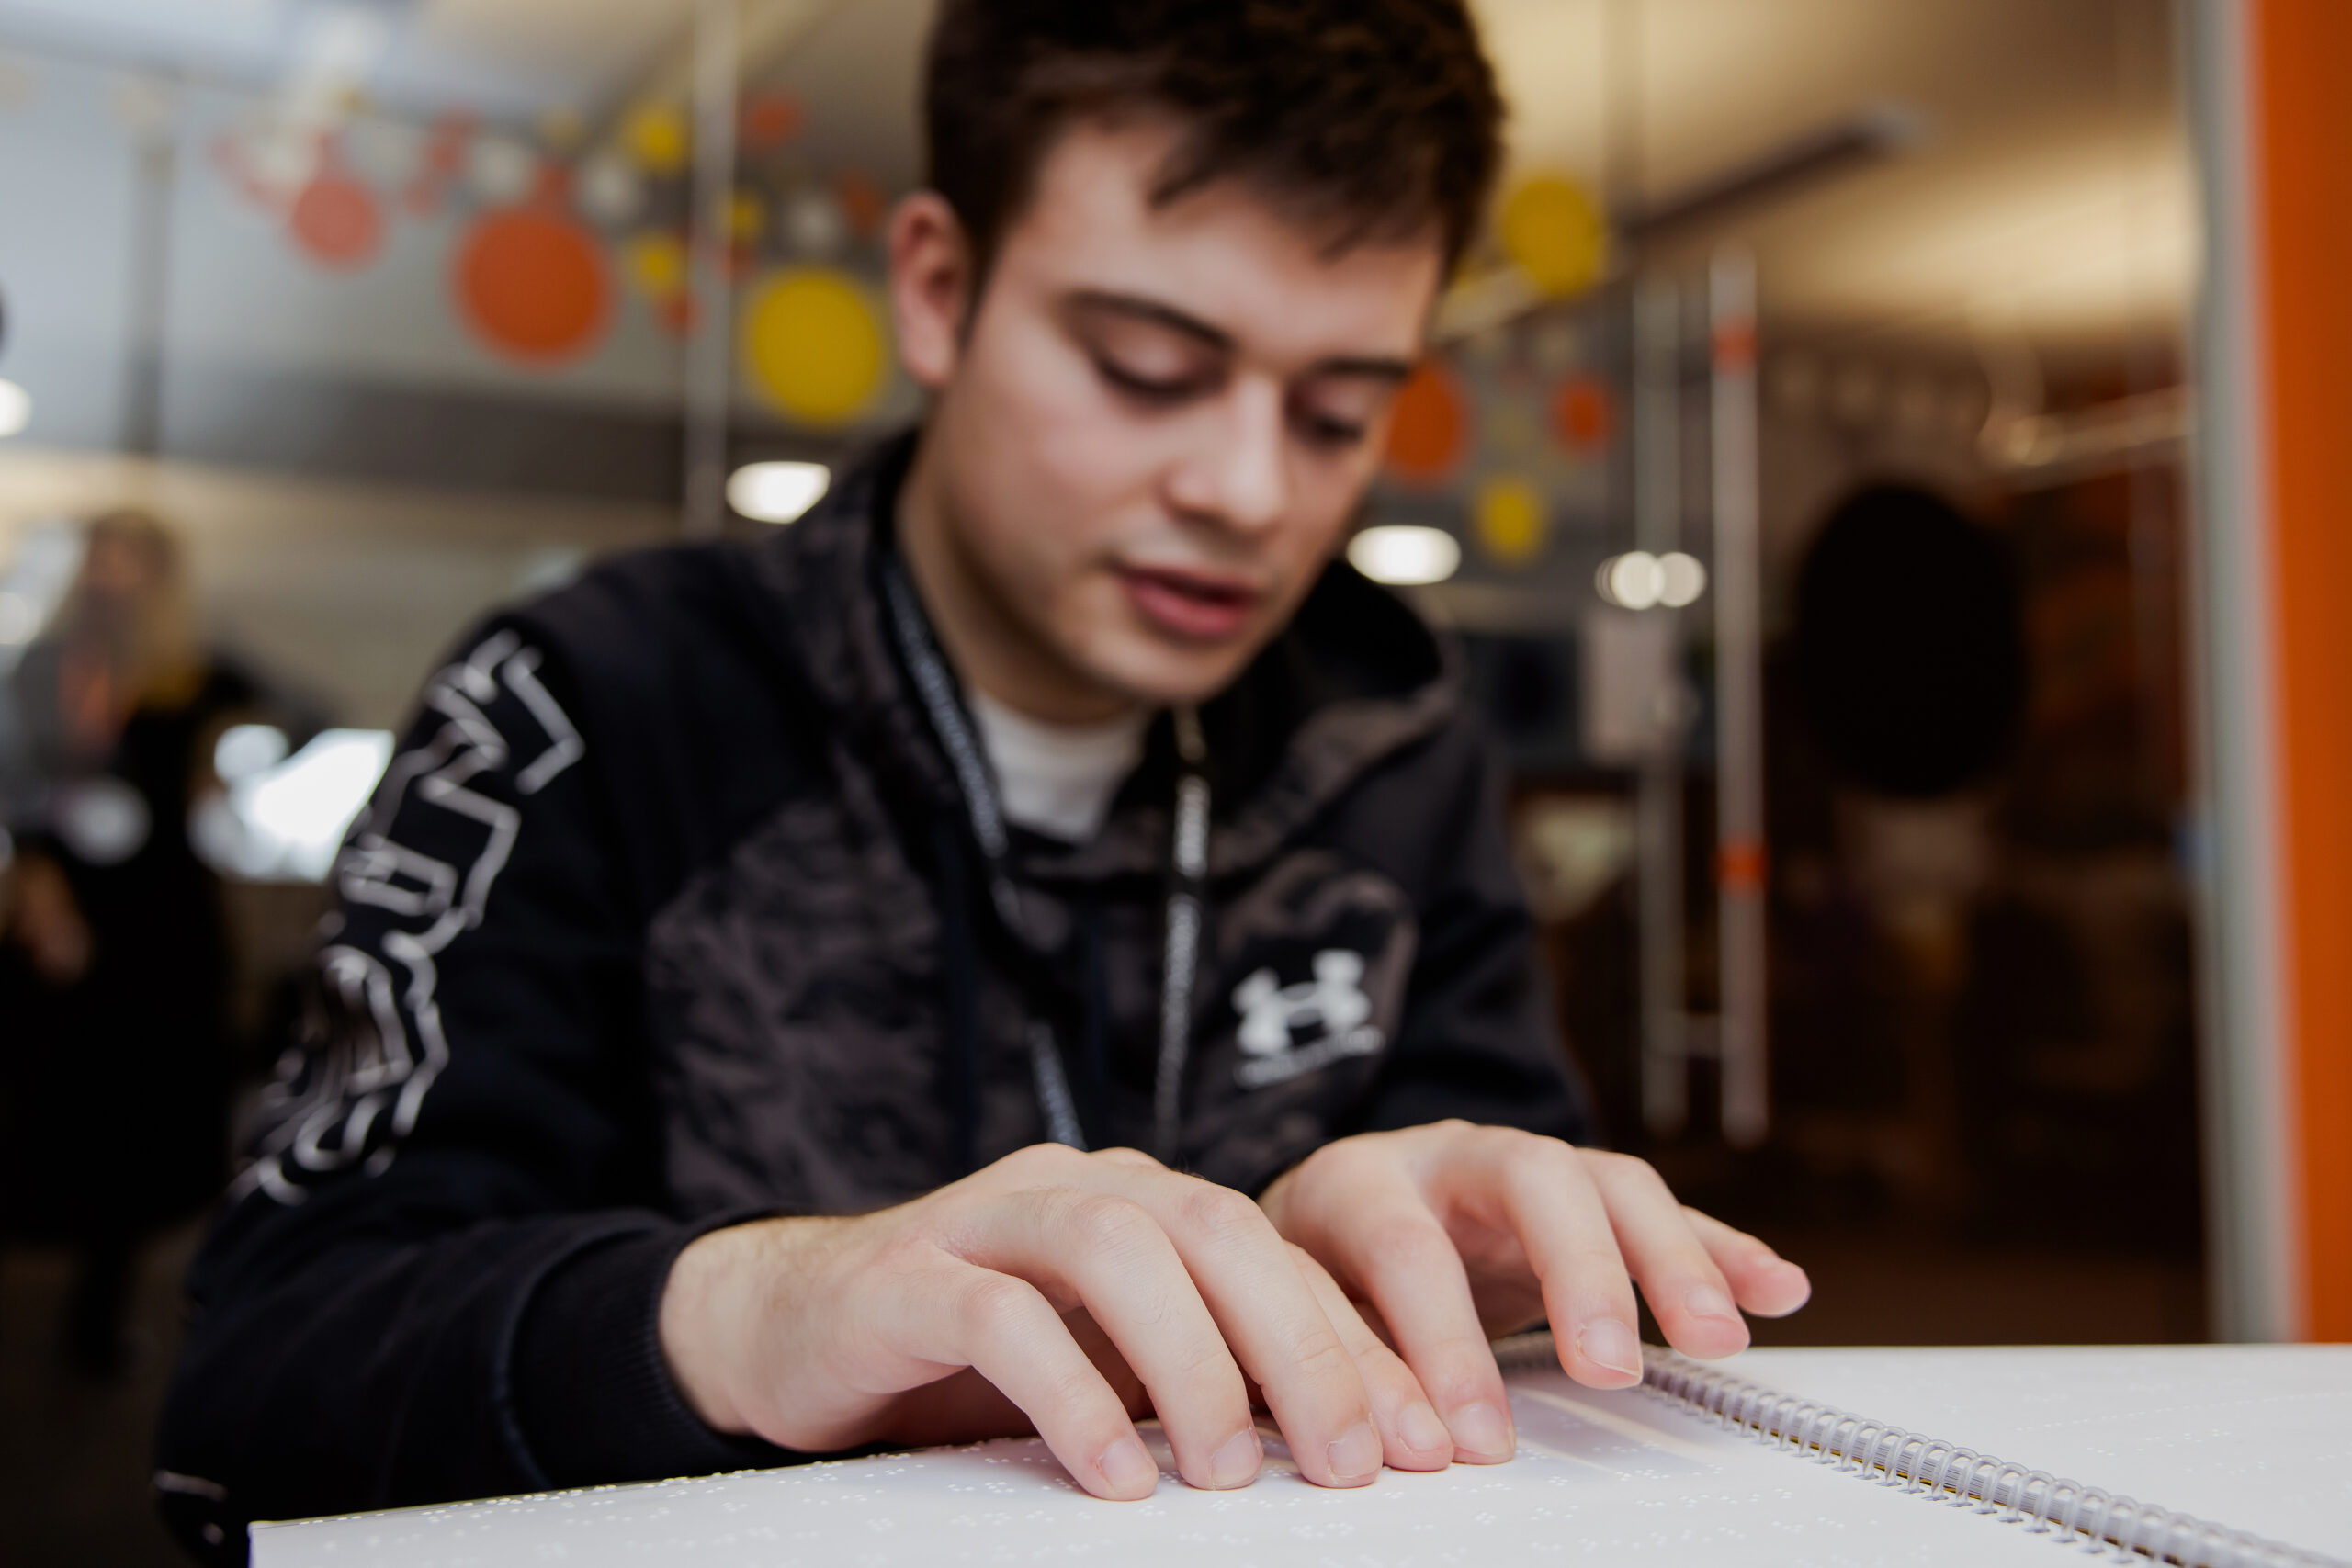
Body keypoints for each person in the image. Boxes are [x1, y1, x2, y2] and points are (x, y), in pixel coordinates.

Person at [155, 0, 1811, 1555]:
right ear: (938, 290)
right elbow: (250, 1398)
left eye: (1336, 411)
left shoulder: (1397, 744)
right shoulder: (592, 705)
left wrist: (1477, 1260)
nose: (1246, 489)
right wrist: (746, 1314)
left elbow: (1514, 1316)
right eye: (1149, 368)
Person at [0, 510, 244, 1375]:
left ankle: (98, 1321)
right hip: (65, 904)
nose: (109, 573)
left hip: (160, 921)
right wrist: (36, 882)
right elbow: (16, 781)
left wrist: (228, 762)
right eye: (99, 555)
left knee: (143, 1118)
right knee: (42, 1097)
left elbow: (304, 711)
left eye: (127, 557)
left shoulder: (191, 672)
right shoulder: (43, 664)